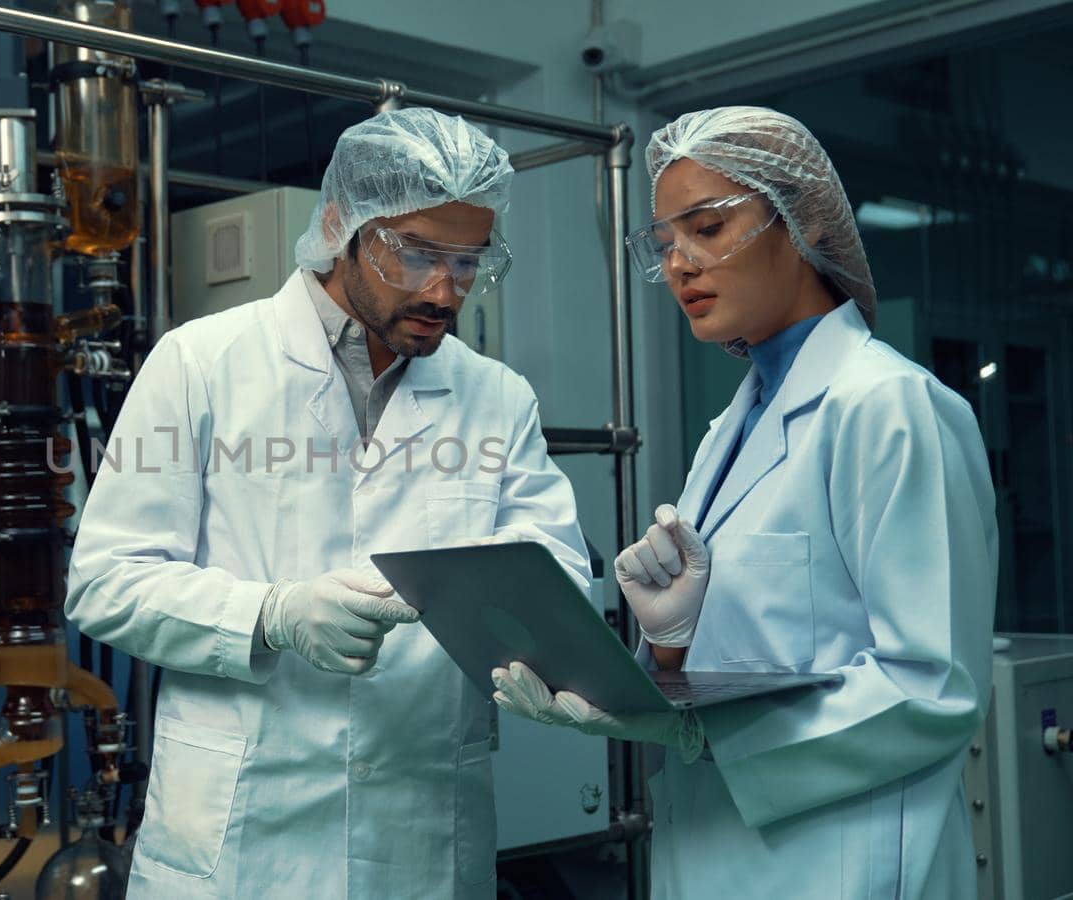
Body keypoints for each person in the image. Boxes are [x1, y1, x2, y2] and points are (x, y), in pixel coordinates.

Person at [66, 107, 591, 899]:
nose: (444, 291)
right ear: (342, 223)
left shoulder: (496, 397)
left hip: (419, 831)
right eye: (415, 255)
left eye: (468, 261)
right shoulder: (201, 363)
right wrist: (270, 615)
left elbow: (551, 577)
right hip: (246, 835)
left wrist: (559, 641)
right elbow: (106, 582)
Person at [492, 105, 999, 898]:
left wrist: (694, 725)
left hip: (842, 859)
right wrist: (667, 655)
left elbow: (932, 688)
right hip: (716, 849)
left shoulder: (887, 405)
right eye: (664, 244)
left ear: (803, 222)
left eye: (707, 227)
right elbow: (752, 655)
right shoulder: (732, 426)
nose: (682, 265)